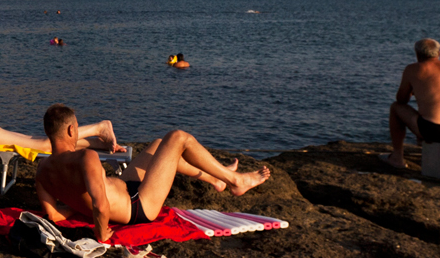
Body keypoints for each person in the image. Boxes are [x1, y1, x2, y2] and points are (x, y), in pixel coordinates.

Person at [31, 104, 270, 243]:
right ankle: (236, 181)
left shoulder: (42, 169)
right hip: (138, 208)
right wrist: (101, 232)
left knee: (158, 146)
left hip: (126, 190)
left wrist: (76, 203)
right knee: (178, 138)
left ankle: (216, 179)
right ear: (73, 129)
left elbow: (52, 215)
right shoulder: (86, 157)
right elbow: (101, 205)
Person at [385, 39, 440, 170]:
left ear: (417, 54)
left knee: (396, 108)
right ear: (439, 53)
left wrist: (412, 91)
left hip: (434, 130)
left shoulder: (413, 69)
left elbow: (401, 100)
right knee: (430, 111)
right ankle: (425, 144)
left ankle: (397, 157)